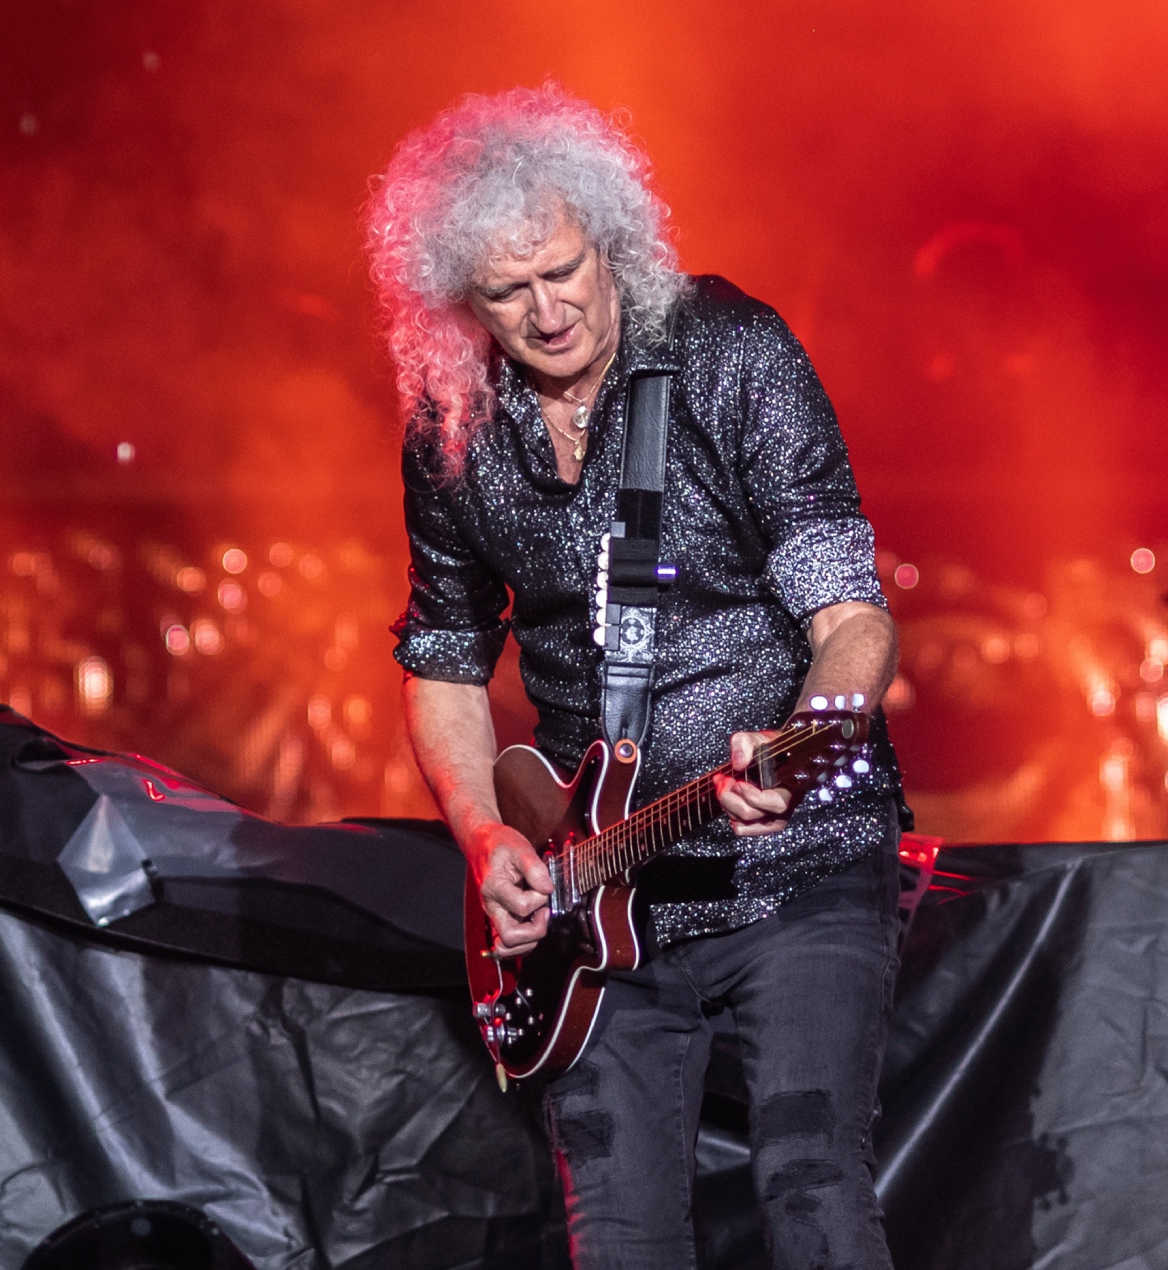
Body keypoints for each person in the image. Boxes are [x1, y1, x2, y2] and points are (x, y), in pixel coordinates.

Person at [366, 87, 904, 1268]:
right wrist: (477, 832)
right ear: (462, 303)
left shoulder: (727, 353)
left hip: (788, 862)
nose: (546, 310)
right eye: (505, 294)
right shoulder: (450, 427)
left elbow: (850, 610)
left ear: (611, 241)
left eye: (563, 270)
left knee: (811, 1186)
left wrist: (814, 728)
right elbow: (444, 660)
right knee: (614, 1237)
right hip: (592, 893)